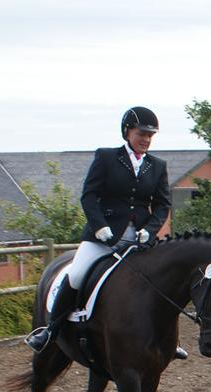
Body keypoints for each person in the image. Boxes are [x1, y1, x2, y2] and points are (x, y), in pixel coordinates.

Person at [25, 106, 172, 352]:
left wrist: (150, 229)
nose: (146, 139)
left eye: (150, 135)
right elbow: (89, 196)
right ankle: (50, 330)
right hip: (104, 236)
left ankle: (167, 339)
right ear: (127, 132)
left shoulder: (157, 166)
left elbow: (162, 204)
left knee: (162, 280)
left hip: (139, 239)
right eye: (141, 133)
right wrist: (99, 225)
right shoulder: (106, 157)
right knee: (76, 275)